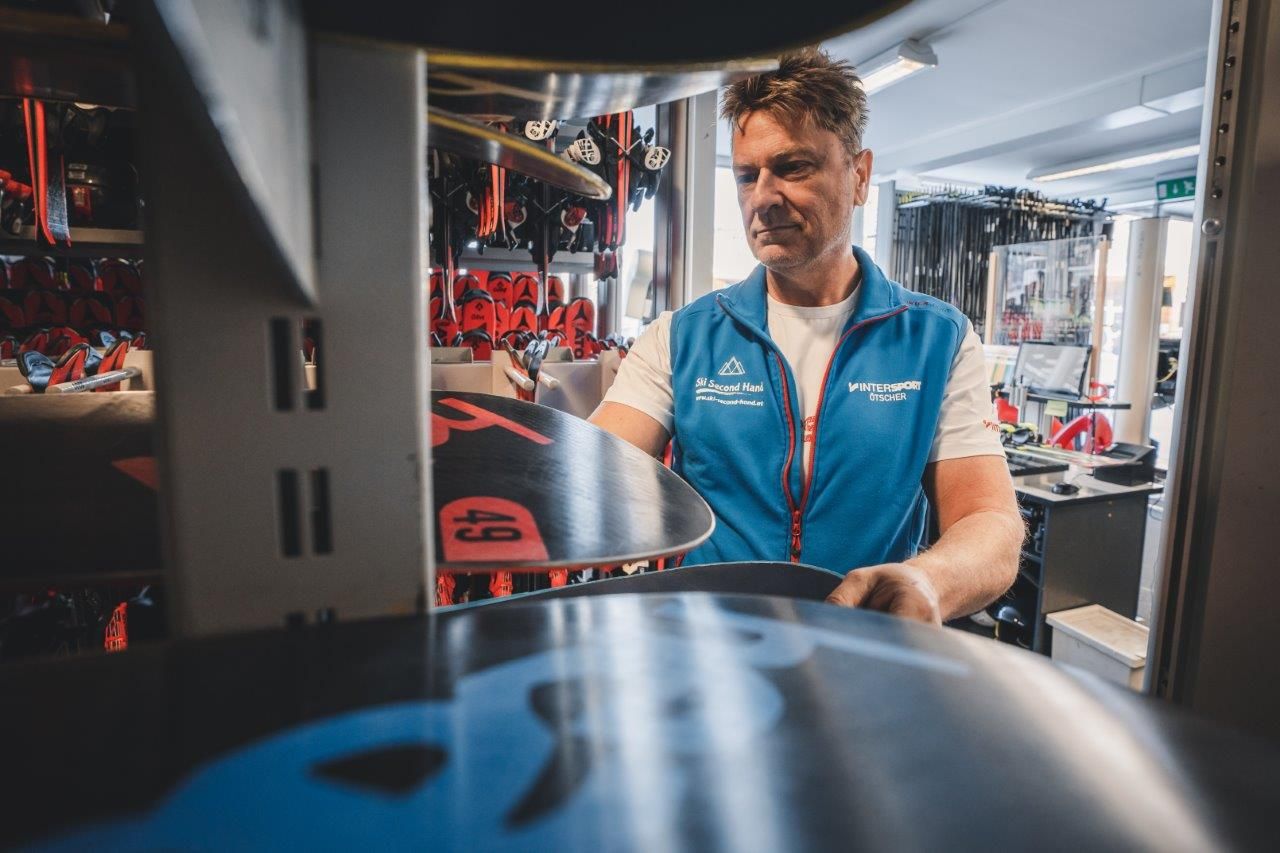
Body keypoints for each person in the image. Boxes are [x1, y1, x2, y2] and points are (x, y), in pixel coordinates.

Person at [590, 48, 1023, 625]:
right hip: (711, 642)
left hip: (864, 641)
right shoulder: (682, 337)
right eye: (747, 175)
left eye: (793, 167)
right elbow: (586, 469)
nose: (763, 198)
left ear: (860, 176)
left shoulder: (937, 340)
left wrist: (929, 580)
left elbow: (990, 523)